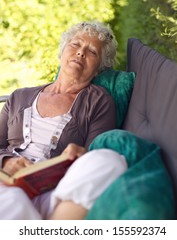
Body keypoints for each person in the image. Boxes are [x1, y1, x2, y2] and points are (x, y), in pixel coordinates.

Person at [0, 21, 127, 219]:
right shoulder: (18, 96)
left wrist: (81, 154)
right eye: (75, 44)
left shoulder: (99, 101)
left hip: (54, 190)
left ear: (99, 68)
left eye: (92, 51)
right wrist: (7, 161)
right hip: (6, 183)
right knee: (13, 199)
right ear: (62, 52)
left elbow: (94, 152)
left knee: (110, 161)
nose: (81, 52)